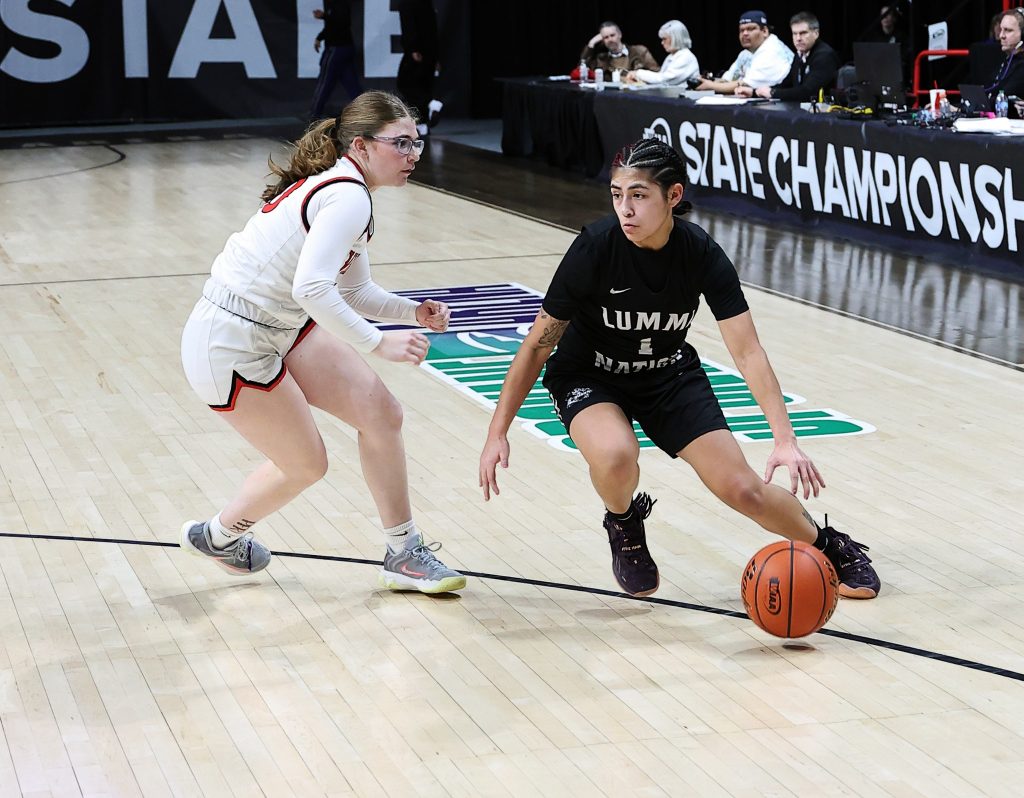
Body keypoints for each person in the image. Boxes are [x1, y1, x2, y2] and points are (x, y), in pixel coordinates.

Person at [478, 137, 881, 601]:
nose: (625, 209)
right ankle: (624, 521)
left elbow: (748, 351)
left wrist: (784, 439)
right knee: (615, 454)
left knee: (744, 489)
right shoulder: (595, 247)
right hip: (590, 374)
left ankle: (829, 544)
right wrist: (497, 431)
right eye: (616, 194)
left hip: (668, 376)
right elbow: (537, 345)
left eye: (639, 195)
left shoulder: (700, 252)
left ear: (673, 196)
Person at [180, 91, 466, 595]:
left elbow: (352, 290)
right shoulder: (347, 194)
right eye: (401, 143)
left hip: (278, 326)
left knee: (382, 414)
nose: (413, 155)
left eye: (417, 143)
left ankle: (404, 552)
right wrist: (381, 343)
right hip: (229, 339)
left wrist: (411, 312)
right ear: (361, 145)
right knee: (307, 464)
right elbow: (312, 289)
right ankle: (220, 536)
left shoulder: (352, 192)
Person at [736, 12, 839, 101]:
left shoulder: (824, 56)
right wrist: (755, 92)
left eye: (803, 33)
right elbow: (786, 85)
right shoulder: (799, 54)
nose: (798, 38)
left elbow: (808, 92)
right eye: (794, 34)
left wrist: (773, 93)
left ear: (816, 34)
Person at [696, 10, 793, 95]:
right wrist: (706, 81)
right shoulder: (746, 53)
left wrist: (711, 86)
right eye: (741, 30)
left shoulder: (772, 50)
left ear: (764, 31)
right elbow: (728, 80)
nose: (745, 34)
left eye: (751, 29)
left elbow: (745, 85)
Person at [309, 0, 363, 121]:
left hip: (337, 49)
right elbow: (333, 25)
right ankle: (368, 111)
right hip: (345, 48)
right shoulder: (334, 5)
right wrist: (320, 37)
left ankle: (314, 114)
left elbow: (342, 23)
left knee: (325, 82)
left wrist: (325, 16)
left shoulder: (340, 4)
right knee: (351, 83)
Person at [397, 0, 440, 137]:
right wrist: (437, 56)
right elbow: (433, 26)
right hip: (430, 49)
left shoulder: (408, 3)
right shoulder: (427, 3)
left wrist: (412, 47)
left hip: (418, 50)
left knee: (405, 84)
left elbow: (408, 24)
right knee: (422, 86)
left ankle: (431, 104)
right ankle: (422, 126)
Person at [623, 20, 699, 86]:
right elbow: (660, 79)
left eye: (664, 39)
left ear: (675, 38)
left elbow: (664, 80)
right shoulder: (672, 56)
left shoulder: (685, 57)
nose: (662, 43)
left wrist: (638, 73)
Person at [581, 21, 659, 79]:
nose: (610, 39)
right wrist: (591, 44)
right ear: (602, 40)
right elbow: (581, 69)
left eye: (612, 35)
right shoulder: (601, 58)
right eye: (606, 37)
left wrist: (639, 75)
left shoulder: (639, 51)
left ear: (620, 35)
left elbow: (657, 73)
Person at [986, 8, 1024, 114]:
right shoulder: (1007, 61)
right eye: (1001, 30)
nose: (1001, 36)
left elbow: (1003, 96)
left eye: (1008, 30)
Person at [858, 5, 912, 78]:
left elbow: (905, 54)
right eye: (883, 15)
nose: (885, 18)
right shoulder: (874, 37)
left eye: (888, 14)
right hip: (877, 70)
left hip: (894, 70)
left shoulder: (901, 36)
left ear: (894, 18)